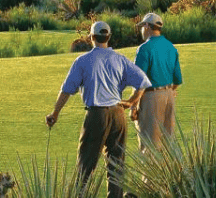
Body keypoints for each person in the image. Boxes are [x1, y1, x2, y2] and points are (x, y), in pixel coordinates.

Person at [46, 21, 151, 198]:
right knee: (116, 164)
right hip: (118, 114)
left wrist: (55, 113)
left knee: (86, 162)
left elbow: (67, 90)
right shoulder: (120, 59)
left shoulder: (83, 61)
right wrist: (131, 102)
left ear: (91, 37)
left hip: (97, 115)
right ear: (108, 38)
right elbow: (143, 81)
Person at [131, 12, 182, 152]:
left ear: (147, 26)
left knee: (149, 144)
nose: (142, 29)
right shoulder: (170, 47)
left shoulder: (144, 49)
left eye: (142, 26)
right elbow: (177, 79)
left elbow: (139, 81)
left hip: (151, 98)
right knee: (167, 144)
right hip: (169, 96)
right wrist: (169, 90)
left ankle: (148, 175)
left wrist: (133, 107)